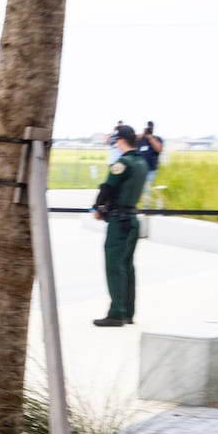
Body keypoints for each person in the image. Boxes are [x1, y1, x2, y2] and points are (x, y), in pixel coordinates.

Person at [91, 124, 148, 327]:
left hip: (119, 222)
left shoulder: (122, 163)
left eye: (116, 140)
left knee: (114, 266)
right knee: (127, 267)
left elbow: (108, 187)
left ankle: (116, 313)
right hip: (132, 220)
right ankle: (127, 312)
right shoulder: (142, 162)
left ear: (120, 141)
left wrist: (97, 207)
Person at [137, 121, 164, 199]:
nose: (149, 129)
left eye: (150, 127)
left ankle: (147, 206)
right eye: (148, 127)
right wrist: (143, 135)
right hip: (140, 170)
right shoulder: (140, 139)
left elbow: (159, 149)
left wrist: (150, 138)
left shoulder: (157, 139)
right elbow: (131, 143)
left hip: (151, 169)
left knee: (147, 188)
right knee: (141, 189)